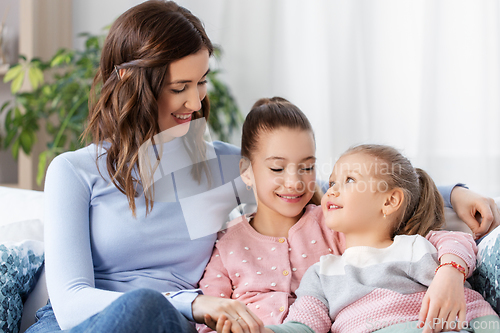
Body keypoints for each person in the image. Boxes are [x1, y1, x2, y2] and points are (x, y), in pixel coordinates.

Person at [25, 0, 499, 332]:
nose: (196, 100)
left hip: (172, 325)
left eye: (202, 81)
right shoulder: (75, 172)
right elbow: (70, 303)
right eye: (179, 86)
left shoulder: (223, 166)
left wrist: (454, 192)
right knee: (142, 309)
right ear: (132, 81)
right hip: (90, 325)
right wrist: (195, 303)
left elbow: (357, 187)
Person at [198, 99, 482, 333]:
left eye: (307, 168)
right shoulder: (226, 246)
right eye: (277, 168)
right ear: (246, 171)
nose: (295, 181)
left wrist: (456, 194)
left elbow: (393, 189)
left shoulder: (336, 221)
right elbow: (209, 317)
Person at [263, 144, 500, 333]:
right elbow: (304, 326)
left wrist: (449, 273)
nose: (332, 190)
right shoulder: (320, 274)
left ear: (389, 202)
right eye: (333, 182)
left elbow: (460, 244)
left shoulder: (417, 246)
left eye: (349, 180)